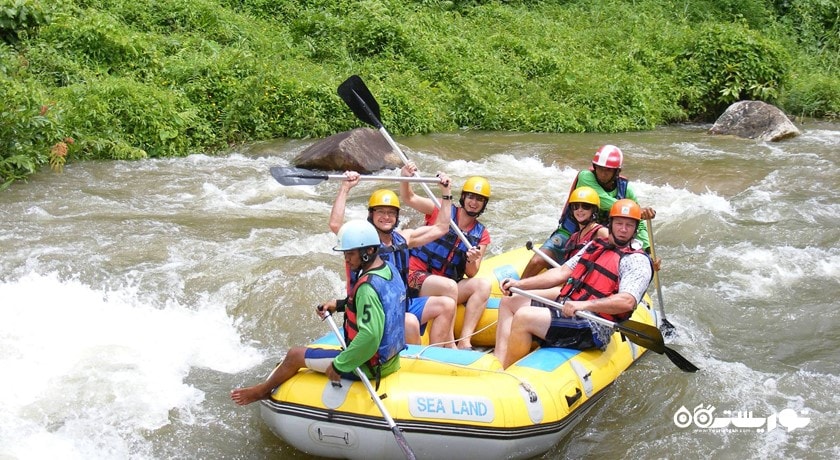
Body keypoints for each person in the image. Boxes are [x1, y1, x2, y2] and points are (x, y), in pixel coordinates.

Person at [230, 220, 406, 405]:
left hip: (367, 366)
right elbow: (381, 304)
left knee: (294, 355)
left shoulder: (367, 288)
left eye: (351, 254)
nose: (346, 259)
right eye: (345, 254)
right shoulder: (388, 269)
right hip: (390, 361)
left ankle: (261, 391)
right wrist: (340, 305)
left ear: (369, 250)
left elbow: (370, 337)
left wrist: (339, 365)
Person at [494, 199, 653, 369]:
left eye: (629, 225)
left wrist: (583, 305)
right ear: (611, 223)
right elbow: (562, 272)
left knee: (524, 316)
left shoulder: (636, 261)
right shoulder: (596, 245)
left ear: (635, 229)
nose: (623, 229)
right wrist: (520, 284)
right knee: (509, 301)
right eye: (619, 223)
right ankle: (498, 361)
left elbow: (627, 301)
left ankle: (506, 372)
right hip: (570, 304)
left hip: (594, 324)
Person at [328, 171, 457, 348]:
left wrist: (446, 192)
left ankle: (436, 354)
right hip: (375, 310)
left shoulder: (404, 238)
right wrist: (345, 188)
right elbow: (335, 225)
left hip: (401, 304)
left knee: (447, 304)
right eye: (381, 212)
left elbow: (442, 227)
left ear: (397, 217)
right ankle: (411, 359)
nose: (386, 217)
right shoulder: (363, 241)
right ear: (371, 215)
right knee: (409, 321)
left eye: (391, 213)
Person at [521, 144, 657, 278]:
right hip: (570, 232)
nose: (603, 173)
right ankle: (515, 288)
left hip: (598, 239)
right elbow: (602, 200)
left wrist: (647, 251)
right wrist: (634, 211)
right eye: (600, 168)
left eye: (608, 170)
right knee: (537, 261)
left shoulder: (627, 190)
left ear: (616, 172)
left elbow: (637, 224)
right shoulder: (586, 176)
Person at [399, 164, 492, 350]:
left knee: (483, 285)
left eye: (479, 199)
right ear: (463, 197)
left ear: (484, 205)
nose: (474, 202)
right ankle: (449, 345)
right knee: (449, 286)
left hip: (447, 285)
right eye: (471, 197)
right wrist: (404, 176)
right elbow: (409, 197)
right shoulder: (442, 208)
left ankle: (465, 341)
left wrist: (471, 259)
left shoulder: (482, 234)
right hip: (415, 277)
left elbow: (471, 273)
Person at [557, 186, 609, 262]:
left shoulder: (601, 232)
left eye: (585, 206)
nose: (580, 210)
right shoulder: (574, 237)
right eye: (576, 206)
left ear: (594, 210)